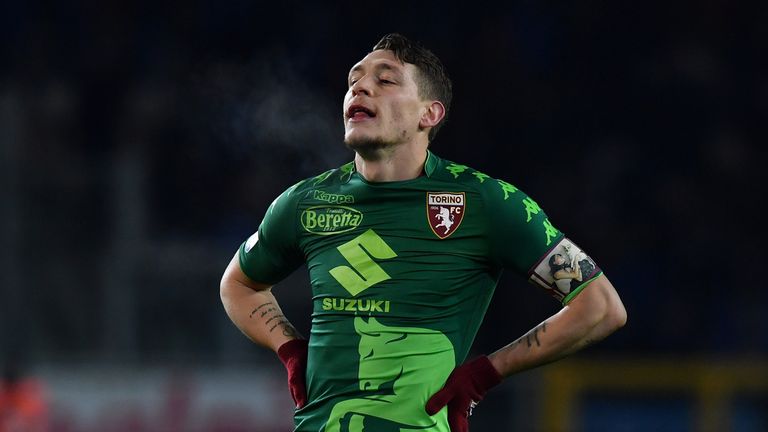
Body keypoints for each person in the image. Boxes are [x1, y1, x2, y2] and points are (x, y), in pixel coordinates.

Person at [220, 33, 627, 432]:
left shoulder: (486, 202)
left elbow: (599, 306)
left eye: (385, 79)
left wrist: (486, 373)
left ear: (428, 114)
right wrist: (289, 348)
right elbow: (239, 284)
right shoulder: (305, 203)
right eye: (354, 80)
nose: (360, 87)